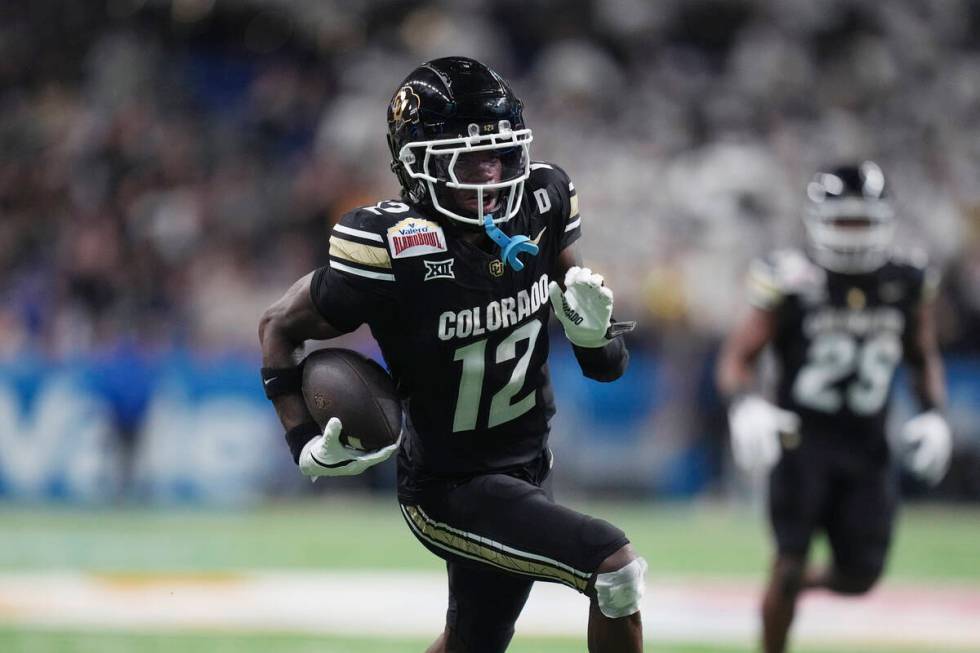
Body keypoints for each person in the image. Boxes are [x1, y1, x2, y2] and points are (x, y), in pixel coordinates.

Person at [258, 57, 645, 653]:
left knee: (473, 645)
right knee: (613, 568)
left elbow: (606, 365)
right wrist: (302, 442)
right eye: (469, 160)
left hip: (527, 466)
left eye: (501, 154)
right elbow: (277, 326)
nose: (491, 174)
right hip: (449, 487)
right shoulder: (389, 245)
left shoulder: (541, 203)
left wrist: (595, 338)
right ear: (417, 165)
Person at [715, 161, 953, 653]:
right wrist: (745, 405)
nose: (852, 233)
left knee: (862, 574)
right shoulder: (789, 277)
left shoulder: (908, 279)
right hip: (801, 443)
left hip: (868, 446)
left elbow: (922, 354)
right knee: (789, 561)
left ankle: (794, 587)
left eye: (861, 221)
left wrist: (933, 413)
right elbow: (737, 359)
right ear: (817, 219)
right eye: (843, 220)